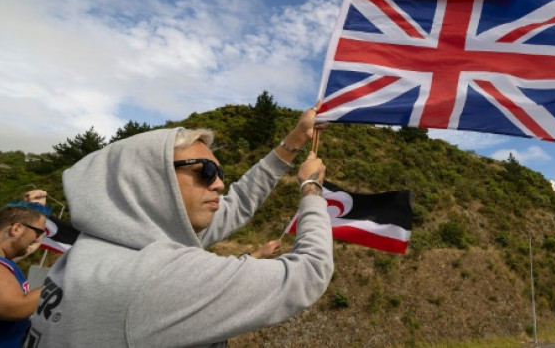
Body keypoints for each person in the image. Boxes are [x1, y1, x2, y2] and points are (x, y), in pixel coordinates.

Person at [27, 107, 333, 347]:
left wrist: (294, 141)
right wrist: (310, 188)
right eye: (206, 172)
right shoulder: (153, 277)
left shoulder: (105, 246)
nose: (219, 183)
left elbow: (238, 203)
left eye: (219, 172)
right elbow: (310, 271)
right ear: (150, 179)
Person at [0, 201, 49, 347]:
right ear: (17, 228)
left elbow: (27, 248)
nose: (37, 239)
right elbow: (17, 307)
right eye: (38, 233)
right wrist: (64, 280)